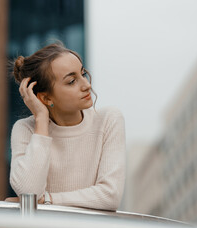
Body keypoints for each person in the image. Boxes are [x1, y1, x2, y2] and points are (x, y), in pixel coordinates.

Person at [7, 42, 126, 211]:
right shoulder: (25, 129)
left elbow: (110, 196)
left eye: (83, 73)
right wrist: (41, 119)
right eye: (72, 81)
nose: (87, 85)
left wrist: (48, 199)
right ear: (46, 99)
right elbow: (30, 193)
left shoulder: (108, 120)